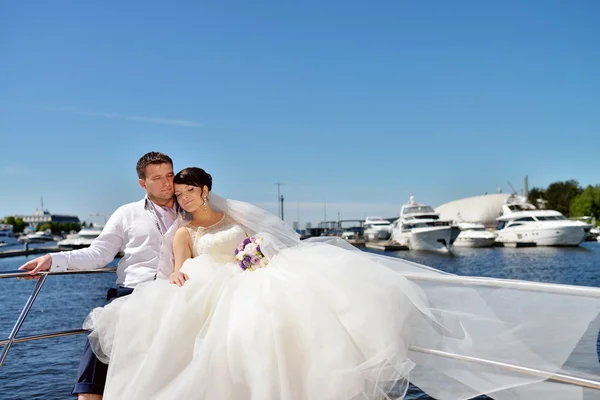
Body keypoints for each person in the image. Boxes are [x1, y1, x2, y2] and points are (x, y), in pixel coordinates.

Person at [84, 167, 600, 400]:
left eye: (192, 189)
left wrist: (255, 260)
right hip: (205, 286)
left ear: (205, 190)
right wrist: (177, 272)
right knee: (223, 350)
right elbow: (177, 261)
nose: (188, 196)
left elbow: (253, 250)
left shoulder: (230, 219)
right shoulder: (183, 230)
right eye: (181, 191)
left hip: (247, 278)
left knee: (288, 329)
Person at [19, 152, 182, 400]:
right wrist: (53, 260)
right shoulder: (126, 213)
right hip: (131, 292)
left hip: (174, 293)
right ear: (142, 183)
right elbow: (99, 253)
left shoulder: (190, 209)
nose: (167, 183)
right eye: (157, 177)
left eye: (169, 175)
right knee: (100, 331)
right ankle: (89, 396)